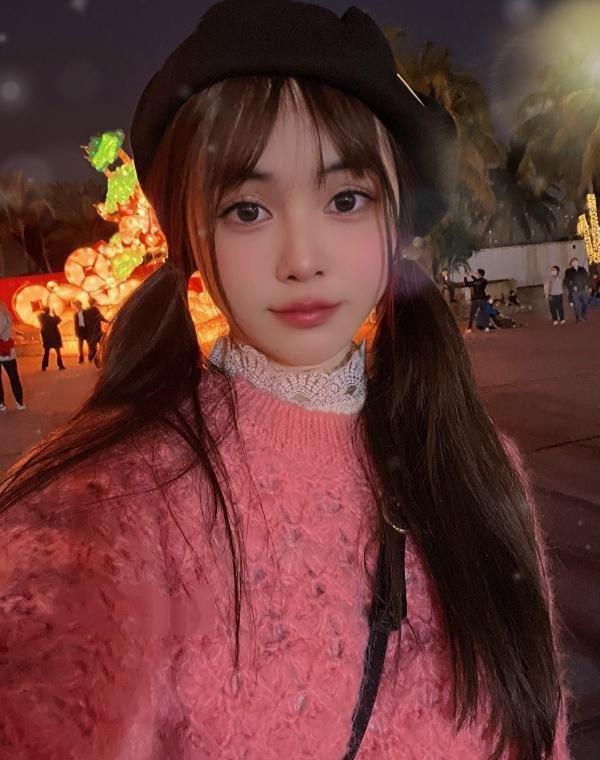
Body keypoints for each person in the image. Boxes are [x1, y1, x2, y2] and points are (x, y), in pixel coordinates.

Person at [0, 2, 570, 759]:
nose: (302, 258)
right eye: (247, 210)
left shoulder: (483, 468)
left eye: (345, 199)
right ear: (191, 235)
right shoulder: (107, 504)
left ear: (395, 223)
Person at [0, 300, 26, 411]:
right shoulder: (3, 307)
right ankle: (19, 402)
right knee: (14, 377)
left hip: (4, 348)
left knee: (13, 377)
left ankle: (2, 403)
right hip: (7, 349)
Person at [564, 256, 591, 323]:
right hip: (575, 291)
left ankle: (583, 314)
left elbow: (587, 278)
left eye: (576, 261)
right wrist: (572, 286)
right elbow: (566, 281)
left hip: (584, 290)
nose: (575, 262)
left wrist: (589, 287)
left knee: (585, 303)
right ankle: (578, 317)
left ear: (578, 262)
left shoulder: (582, 269)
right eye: (573, 261)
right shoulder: (568, 271)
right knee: (576, 305)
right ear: (571, 263)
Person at [38, 306, 66, 371]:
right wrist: (55, 314)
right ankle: (60, 365)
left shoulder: (41, 319)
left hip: (47, 339)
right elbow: (58, 320)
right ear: (48, 311)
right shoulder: (50, 318)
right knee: (58, 352)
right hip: (54, 338)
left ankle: (44, 366)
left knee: (46, 353)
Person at [83, 298, 107, 364]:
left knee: (92, 346)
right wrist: (107, 321)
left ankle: (91, 358)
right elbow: (100, 317)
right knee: (102, 342)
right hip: (96, 330)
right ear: (94, 303)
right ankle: (100, 357)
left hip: (89, 331)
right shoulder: (95, 310)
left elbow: (82, 322)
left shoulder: (85, 311)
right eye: (96, 302)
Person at [463, 268, 488, 333]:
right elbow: (467, 284)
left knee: (483, 313)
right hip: (478, 299)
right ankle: (470, 328)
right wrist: (466, 276)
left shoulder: (483, 281)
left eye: (477, 273)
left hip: (480, 299)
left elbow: (477, 282)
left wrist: (470, 275)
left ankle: (485, 327)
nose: (476, 273)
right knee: (473, 314)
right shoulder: (478, 281)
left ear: (480, 274)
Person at [73, 299, 90, 363]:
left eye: (76, 305)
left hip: (86, 330)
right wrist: (76, 332)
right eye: (75, 305)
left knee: (89, 344)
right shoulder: (76, 314)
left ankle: (90, 356)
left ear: (80, 305)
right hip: (80, 331)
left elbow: (88, 321)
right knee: (80, 346)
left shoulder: (85, 312)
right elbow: (75, 324)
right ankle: (81, 358)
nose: (75, 307)